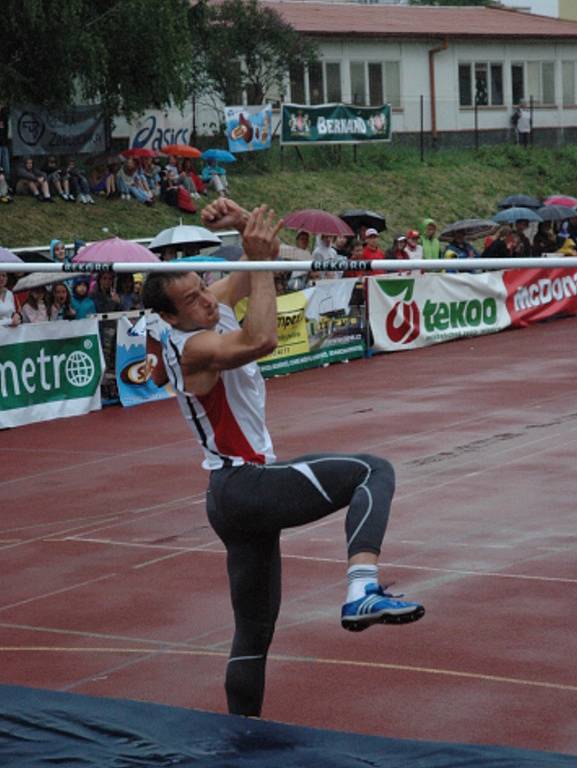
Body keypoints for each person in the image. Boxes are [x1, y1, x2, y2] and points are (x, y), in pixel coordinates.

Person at [142, 199, 425, 719]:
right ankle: (362, 587)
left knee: (253, 632)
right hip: (243, 484)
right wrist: (259, 262)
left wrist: (245, 228)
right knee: (372, 471)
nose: (207, 299)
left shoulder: (200, 308)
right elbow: (264, 338)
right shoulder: (194, 346)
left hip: (230, 496)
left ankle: (240, 737)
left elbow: (251, 270)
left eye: (204, 287)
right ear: (169, 315)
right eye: (192, 298)